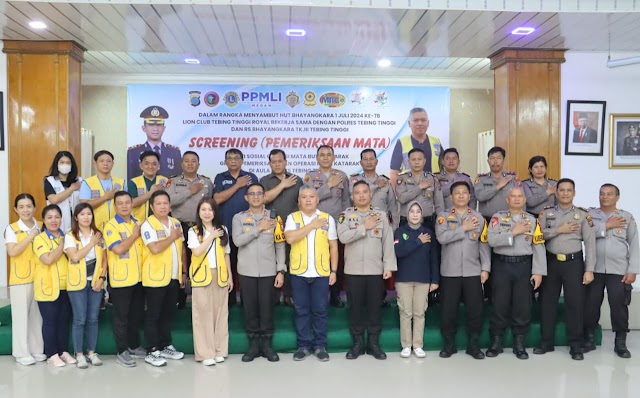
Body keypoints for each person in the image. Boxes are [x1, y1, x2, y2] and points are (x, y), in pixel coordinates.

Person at [535, 178, 596, 360]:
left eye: (569, 190)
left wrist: (589, 269)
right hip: (551, 263)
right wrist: (558, 230)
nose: (565, 193)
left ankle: (576, 344)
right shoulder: (546, 214)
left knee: (575, 304)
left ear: (574, 193)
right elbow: (538, 236)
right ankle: (546, 342)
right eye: (562, 190)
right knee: (547, 303)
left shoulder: (583, 215)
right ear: (556, 192)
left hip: (573, 263)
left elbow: (590, 244)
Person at [338, 181, 396, 360]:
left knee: (374, 309)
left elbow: (387, 242)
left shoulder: (380, 215)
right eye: (357, 193)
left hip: (375, 270)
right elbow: (343, 237)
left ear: (370, 195)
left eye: (365, 192)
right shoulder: (345, 216)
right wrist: (365, 227)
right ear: (352, 196)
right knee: (355, 308)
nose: (361, 195)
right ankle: (357, 344)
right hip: (354, 271)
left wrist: (388, 267)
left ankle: (373, 344)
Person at [486, 187, 546, 360]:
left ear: (524, 200)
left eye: (520, 196)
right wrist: (514, 232)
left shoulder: (532, 220)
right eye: (513, 196)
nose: (517, 199)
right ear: (507, 200)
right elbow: (492, 240)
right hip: (502, 266)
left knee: (523, 306)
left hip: (524, 267)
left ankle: (519, 343)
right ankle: (496, 341)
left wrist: (538, 272)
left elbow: (538, 246)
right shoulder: (497, 218)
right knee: (499, 304)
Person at [284, 185, 339, 362]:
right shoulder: (293, 218)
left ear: (317, 200)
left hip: (321, 272)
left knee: (320, 310)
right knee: (301, 310)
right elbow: (290, 238)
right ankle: (303, 346)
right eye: (304, 197)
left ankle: (320, 345)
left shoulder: (327, 219)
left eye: (311, 196)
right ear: (299, 201)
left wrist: (334, 270)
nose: (308, 200)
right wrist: (312, 225)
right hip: (299, 272)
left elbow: (333, 246)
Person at [232, 183, 286, 362]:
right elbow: (238, 241)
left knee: (267, 309)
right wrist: (258, 229)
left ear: (264, 197)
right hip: (247, 272)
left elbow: (279, 245)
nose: (255, 197)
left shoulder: (274, 218)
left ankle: (267, 345)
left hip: (269, 271)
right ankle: (254, 345)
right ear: (246, 198)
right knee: (250, 309)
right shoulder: (238, 218)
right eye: (252, 194)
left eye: (259, 194)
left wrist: (280, 270)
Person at [436, 182, 489, 360]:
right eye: (457, 193)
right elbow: (442, 238)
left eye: (464, 193)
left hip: (473, 271)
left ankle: (473, 345)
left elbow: (483, 244)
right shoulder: (443, 217)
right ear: (451, 197)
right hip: (450, 272)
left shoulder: (479, 218)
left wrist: (485, 268)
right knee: (448, 311)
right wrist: (463, 228)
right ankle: (449, 344)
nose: (460, 196)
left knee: (475, 310)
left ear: (469, 196)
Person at [585, 184, 639, 358]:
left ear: (617, 197)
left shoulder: (626, 217)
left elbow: (635, 244)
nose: (604, 197)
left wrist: (633, 270)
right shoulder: (590, 215)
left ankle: (620, 342)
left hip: (619, 269)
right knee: (591, 305)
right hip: (594, 268)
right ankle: (589, 338)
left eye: (609, 194)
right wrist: (606, 226)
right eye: (601, 194)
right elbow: (584, 233)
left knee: (619, 306)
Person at [140, 191, 186, 366]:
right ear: (152, 207)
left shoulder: (175, 223)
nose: (163, 206)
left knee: (168, 314)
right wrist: (172, 237)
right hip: (155, 277)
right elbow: (155, 248)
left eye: (165, 203)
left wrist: (182, 272)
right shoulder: (148, 225)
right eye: (158, 204)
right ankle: (152, 350)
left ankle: (165, 344)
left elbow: (181, 248)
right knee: (153, 314)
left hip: (173, 276)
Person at [349, 148, 399, 307]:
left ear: (377, 162)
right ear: (360, 162)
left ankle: (381, 297)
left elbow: (393, 207)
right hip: (358, 229)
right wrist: (373, 186)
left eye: (372, 159)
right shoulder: (354, 181)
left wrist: (394, 229)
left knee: (381, 263)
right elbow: (352, 200)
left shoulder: (385, 182)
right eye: (366, 159)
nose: (369, 162)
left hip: (380, 230)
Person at [103, 191, 146, 368]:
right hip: (121, 279)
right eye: (120, 203)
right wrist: (135, 235)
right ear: (115, 206)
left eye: (127, 202)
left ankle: (134, 345)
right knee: (121, 316)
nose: (124, 206)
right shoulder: (111, 226)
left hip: (139, 278)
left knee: (135, 315)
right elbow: (119, 249)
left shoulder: (137, 223)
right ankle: (122, 351)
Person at [304, 145, 350, 308]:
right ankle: (319, 296)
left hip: (337, 225)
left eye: (328, 155)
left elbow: (346, 202)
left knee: (336, 261)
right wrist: (328, 185)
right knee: (318, 259)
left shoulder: (342, 176)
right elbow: (308, 199)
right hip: (316, 225)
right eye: (321, 155)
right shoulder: (310, 177)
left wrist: (344, 223)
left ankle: (335, 295)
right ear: (317, 158)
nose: (325, 157)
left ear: (334, 157)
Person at [166, 151, 214, 309]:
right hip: (179, 227)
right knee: (179, 261)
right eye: (187, 161)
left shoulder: (207, 182)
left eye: (194, 161)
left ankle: (199, 297)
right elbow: (168, 202)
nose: (190, 164)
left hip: (201, 228)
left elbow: (211, 204)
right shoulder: (173, 182)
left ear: (198, 164)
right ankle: (179, 298)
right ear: (182, 164)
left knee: (200, 260)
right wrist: (189, 192)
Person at [188, 198, 232, 366]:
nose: (207, 213)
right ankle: (205, 353)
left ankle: (220, 350)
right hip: (202, 276)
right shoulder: (194, 231)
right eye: (203, 210)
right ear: (199, 212)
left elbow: (226, 254)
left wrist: (229, 276)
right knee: (202, 314)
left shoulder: (223, 229)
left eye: (210, 210)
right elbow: (197, 251)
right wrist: (211, 236)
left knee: (221, 313)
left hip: (220, 275)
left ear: (215, 212)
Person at [213, 148, 259, 306]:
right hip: (226, 230)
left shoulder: (251, 177)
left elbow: (257, 200)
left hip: (248, 230)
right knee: (229, 265)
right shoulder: (220, 177)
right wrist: (238, 185)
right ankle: (230, 300)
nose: (233, 160)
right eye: (229, 158)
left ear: (242, 160)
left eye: (236, 158)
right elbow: (217, 199)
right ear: (225, 161)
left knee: (247, 265)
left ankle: (247, 300)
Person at [394, 201, 439, 359]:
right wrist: (418, 241)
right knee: (406, 312)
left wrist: (435, 280)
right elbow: (398, 252)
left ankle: (418, 345)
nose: (414, 214)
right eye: (411, 211)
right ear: (407, 214)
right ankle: (406, 345)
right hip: (404, 279)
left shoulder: (429, 233)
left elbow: (433, 258)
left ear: (422, 215)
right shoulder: (400, 232)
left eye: (418, 211)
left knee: (419, 313)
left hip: (423, 279)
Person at [63, 203, 106, 368]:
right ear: (76, 217)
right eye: (82, 214)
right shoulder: (70, 236)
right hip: (77, 283)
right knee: (79, 319)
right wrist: (91, 243)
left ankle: (91, 352)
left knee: (93, 319)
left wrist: (102, 278)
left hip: (95, 282)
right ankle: (79, 354)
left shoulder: (98, 234)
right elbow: (75, 257)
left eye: (89, 214)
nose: (86, 217)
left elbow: (104, 258)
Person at [4, 193, 45, 366]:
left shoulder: (42, 225)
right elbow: (12, 252)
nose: (26, 210)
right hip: (20, 279)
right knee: (21, 317)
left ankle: (36, 349)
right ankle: (21, 353)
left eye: (29, 206)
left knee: (37, 316)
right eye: (21, 207)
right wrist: (30, 236)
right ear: (16, 209)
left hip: (40, 277)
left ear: (35, 208)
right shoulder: (12, 229)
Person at [32, 204, 73, 367]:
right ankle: (51, 353)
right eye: (49, 217)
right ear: (44, 220)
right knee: (50, 321)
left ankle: (63, 351)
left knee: (63, 320)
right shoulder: (39, 239)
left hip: (66, 286)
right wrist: (63, 244)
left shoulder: (66, 235)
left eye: (57, 217)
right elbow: (47, 259)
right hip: (48, 287)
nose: (54, 220)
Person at [261, 149, 303, 307]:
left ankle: (289, 295)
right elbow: (263, 199)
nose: (277, 164)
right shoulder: (265, 180)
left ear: (285, 162)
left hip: (292, 229)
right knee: (273, 262)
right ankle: (273, 296)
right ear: (270, 163)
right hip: (270, 229)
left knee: (291, 261)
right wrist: (283, 185)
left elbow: (303, 202)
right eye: (274, 162)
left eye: (280, 161)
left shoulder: (297, 180)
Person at [390, 107, 442, 188]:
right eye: (416, 120)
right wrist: (393, 196)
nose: (420, 123)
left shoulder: (436, 142)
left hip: (433, 191)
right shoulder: (401, 142)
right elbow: (394, 172)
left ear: (428, 123)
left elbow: (444, 167)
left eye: (423, 120)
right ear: (409, 123)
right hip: (409, 191)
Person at [127, 105, 182, 179]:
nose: (155, 129)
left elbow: (178, 180)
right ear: (144, 128)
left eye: (159, 125)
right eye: (151, 124)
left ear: (164, 128)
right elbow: (131, 180)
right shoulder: (133, 153)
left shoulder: (174, 152)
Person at [396, 148, 444, 229]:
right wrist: (419, 187)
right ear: (408, 161)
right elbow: (402, 198)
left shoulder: (432, 178)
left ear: (424, 161)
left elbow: (439, 203)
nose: (417, 162)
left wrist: (441, 223)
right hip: (406, 221)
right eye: (414, 159)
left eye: (419, 159)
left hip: (427, 220)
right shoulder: (402, 178)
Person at [80, 150, 125, 231]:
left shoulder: (121, 182)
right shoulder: (87, 183)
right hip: (94, 227)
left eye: (108, 161)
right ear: (95, 163)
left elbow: (126, 205)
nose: (105, 164)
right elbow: (84, 206)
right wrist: (105, 197)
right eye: (102, 161)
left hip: (118, 227)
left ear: (113, 164)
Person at [474, 146, 520, 222]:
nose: (495, 161)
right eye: (492, 158)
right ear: (488, 161)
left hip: (508, 220)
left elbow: (521, 200)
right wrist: (497, 186)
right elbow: (480, 197)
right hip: (487, 220)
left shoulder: (512, 179)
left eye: (498, 158)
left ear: (503, 160)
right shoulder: (481, 179)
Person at [44, 151, 83, 233]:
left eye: (68, 163)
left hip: (76, 223)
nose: (65, 165)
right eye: (62, 162)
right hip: (57, 224)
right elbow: (54, 200)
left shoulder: (80, 181)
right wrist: (71, 189)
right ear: (56, 164)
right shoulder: (50, 181)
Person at [128, 151, 168, 222]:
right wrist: (151, 192)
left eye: (154, 164)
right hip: (139, 223)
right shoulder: (134, 182)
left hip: (161, 223)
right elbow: (132, 203)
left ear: (158, 166)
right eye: (146, 164)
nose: (150, 167)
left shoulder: (165, 181)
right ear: (141, 166)